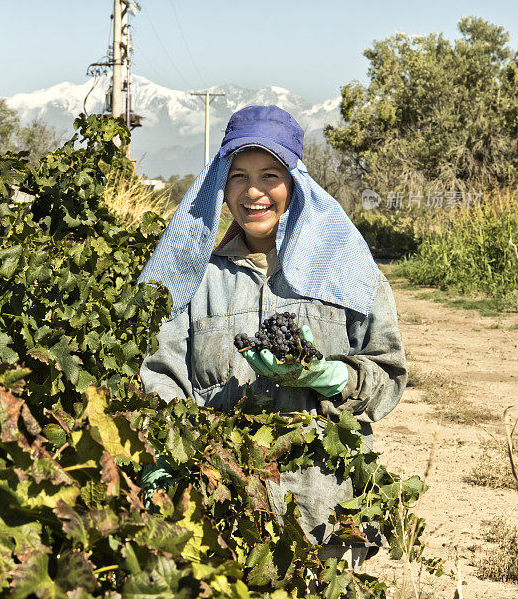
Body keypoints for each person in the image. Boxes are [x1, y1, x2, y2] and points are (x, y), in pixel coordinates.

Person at [138, 104, 407, 566]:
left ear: (295, 183)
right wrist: (165, 453)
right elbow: (160, 373)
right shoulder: (196, 279)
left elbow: (388, 375)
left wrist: (332, 377)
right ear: (221, 186)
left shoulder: (346, 271)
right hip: (224, 510)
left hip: (324, 515)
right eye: (239, 175)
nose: (254, 192)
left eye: (270, 174)